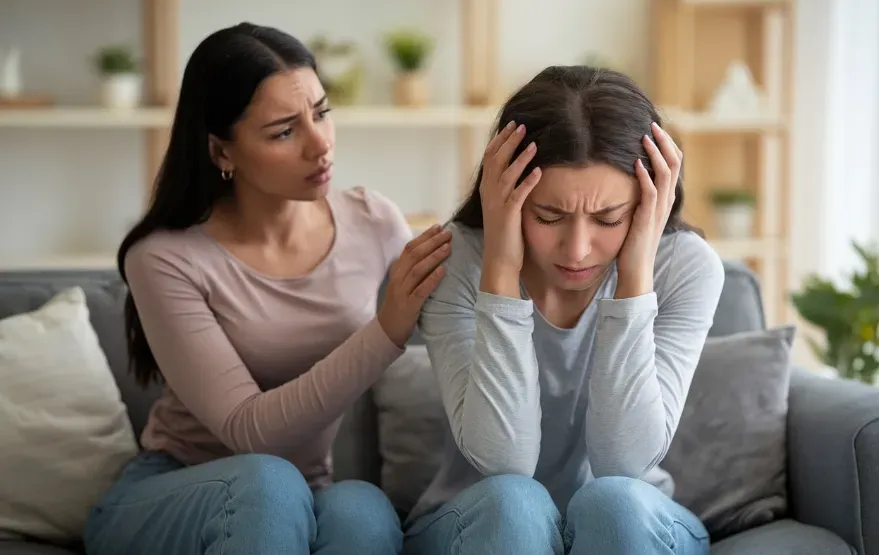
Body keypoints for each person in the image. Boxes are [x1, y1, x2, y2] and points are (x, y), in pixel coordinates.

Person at [83, 22, 451, 555]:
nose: (320, 143)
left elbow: (468, 311)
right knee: (266, 481)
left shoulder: (374, 221)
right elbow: (249, 433)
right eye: (284, 131)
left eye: (321, 112)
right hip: (172, 497)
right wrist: (387, 329)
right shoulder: (164, 259)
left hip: (303, 494)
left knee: (363, 512)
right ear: (221, 151)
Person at [401, 65, 726, 555]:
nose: (577, 250)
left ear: (647, 202)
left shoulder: (684, 267)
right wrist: (501, 270)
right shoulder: (457, 261)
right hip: (483, 517)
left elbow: (624, 461)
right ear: (503, 194)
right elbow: (505, 460)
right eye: (548, 216)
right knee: (515, 504)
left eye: (608, 218)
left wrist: (634, 278)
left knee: (611, 503)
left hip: (631, 521)